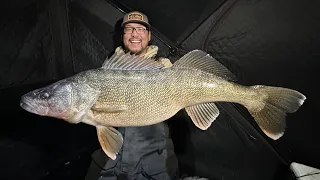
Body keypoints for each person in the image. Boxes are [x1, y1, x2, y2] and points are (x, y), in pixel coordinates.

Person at [97, 11, 179, 180]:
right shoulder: (107, 69)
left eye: (141, 29)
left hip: (156, 160)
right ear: (122, 36)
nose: (135, 33)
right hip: (114, 161)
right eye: (129, 29)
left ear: (148, 36)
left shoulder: (164, 67)